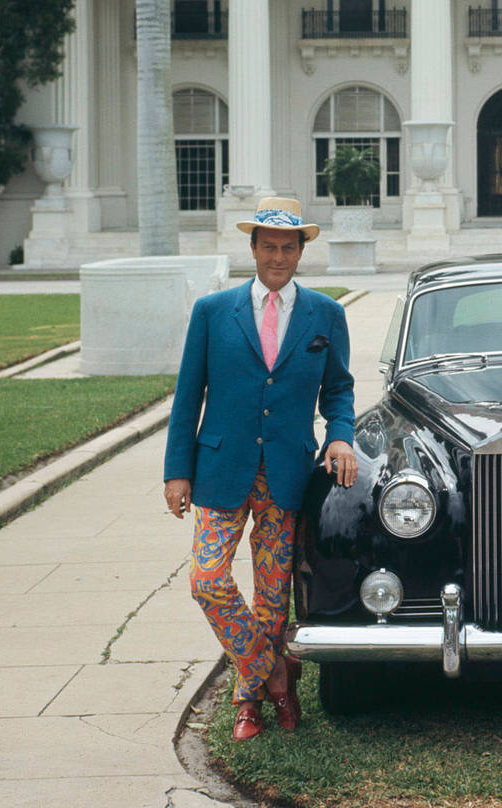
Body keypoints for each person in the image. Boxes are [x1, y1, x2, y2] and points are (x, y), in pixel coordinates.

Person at [162, 196, 358, 741]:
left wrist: (340, 436)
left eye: (287, 247)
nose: (278, 256)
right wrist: (177, 470)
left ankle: (248, 703)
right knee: (206, 581)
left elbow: (338, 389)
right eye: (268, 246)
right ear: (252, 248)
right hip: (221, 469)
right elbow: (188, 395)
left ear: (301, 251)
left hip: (287, 473)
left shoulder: (326, 314)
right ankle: (272, 670)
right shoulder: (211, 311)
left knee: (273, 599)